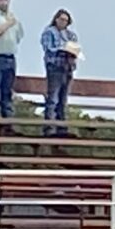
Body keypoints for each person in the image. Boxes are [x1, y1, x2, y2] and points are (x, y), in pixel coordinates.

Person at [40, 8, 79, 137]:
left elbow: (76, 48)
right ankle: (50, 128)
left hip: (67, 68)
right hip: (55, 67)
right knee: (53, 99)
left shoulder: (70, 35)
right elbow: (48, 48)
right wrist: (63, 49)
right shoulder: (49, 32)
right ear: (56, 19)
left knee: (63, 99)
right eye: (61, 19)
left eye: (66, 20)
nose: (63, 22)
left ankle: (61, 127)